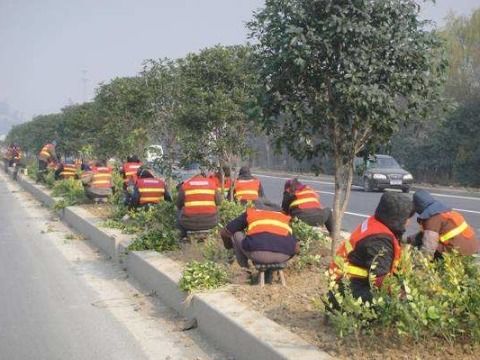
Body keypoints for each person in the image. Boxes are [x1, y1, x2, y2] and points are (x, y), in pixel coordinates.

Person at [328, 192, 414, 305]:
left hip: (344, 284)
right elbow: (380, 280)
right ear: (396, 218)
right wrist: (405, 294)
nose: (409, 222)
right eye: (406, 218)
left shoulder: (376, 223)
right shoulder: (380, 240)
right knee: (394, 303)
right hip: (347, 290)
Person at [220, 200, 298, 282]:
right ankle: (272, 271)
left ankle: (245, 270)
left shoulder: (251, 212)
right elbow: (296, 247)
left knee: (237, 234)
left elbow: (225, 232)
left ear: (256, 207)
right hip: (282, 257)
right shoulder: (284, 217)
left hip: (258, 255)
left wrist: (229, 246)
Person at [408, 190, 479, 258]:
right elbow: (422, 235)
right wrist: (408, 240)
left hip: (459, 253)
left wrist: (419, 267)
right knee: (423, 239)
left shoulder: (431, 219)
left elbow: (428, 248)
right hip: (472, 248)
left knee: (423, 245)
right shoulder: (444, 212)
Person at [177, 173, 222, 237]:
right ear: (204, 177)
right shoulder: (212, 184)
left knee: (178, 210)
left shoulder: (185, 185)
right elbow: (219, 202)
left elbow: (179, 204)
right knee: (217, 208)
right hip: (211, 222)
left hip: (188, 223)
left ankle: (182, 236)